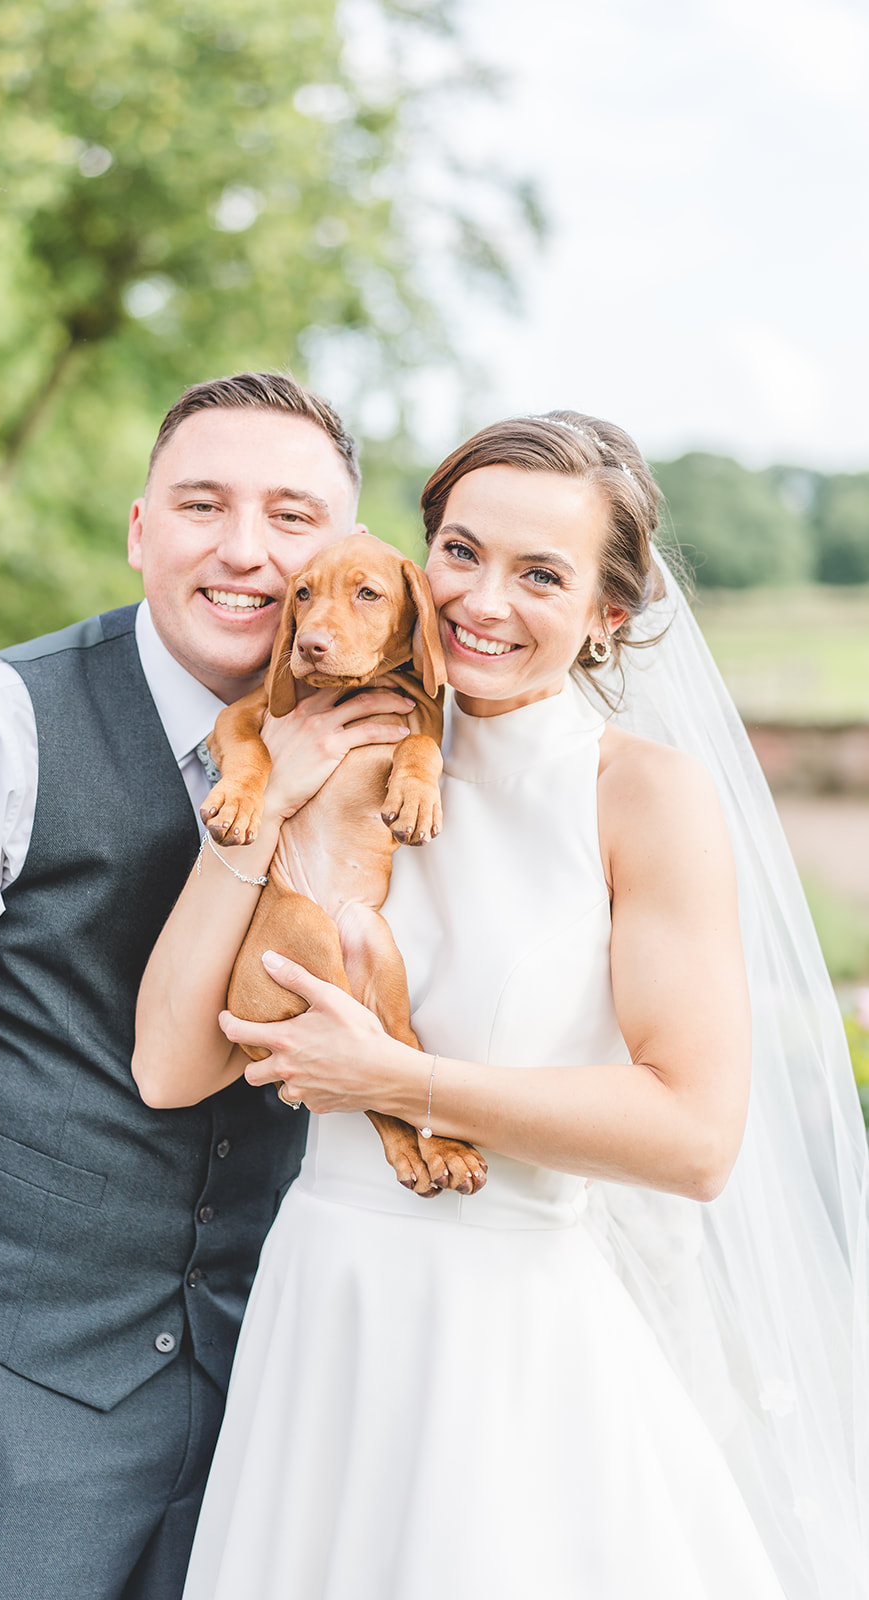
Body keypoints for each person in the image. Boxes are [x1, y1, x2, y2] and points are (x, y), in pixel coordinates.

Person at [134, 412, 869, 1599]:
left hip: (513, 1333)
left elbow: (695, 1138)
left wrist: (394, 1081)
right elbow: (172, 1067)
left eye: (542, 574)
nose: (483, 599)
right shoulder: (329, 742)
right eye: (463, 553)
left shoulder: (640, 795)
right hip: (328, 1307)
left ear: (606, 616)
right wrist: (270, 802)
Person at [0, 371, 416, 1599]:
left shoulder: (395, 751)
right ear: (141, 531)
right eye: (201, 504)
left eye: (292, 517)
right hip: (8, 1396)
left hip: (272, 1389)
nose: (245, 551)